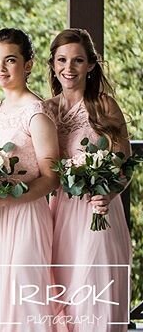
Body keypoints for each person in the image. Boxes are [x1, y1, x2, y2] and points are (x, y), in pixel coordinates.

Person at [0, 28, 64, 331]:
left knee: (26, 300)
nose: (0, 68)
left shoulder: (37, 113)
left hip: (25, 217)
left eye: (10, 60)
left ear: (28, 64)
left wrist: (4, 198)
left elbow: (52, 178)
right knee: (0, 301)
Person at [45, 28, 132, 331]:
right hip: (60, 215)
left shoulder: (104, 105)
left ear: (91, 65)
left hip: (100, 212)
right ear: (53, 64)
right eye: (62, 60)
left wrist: (108, 193)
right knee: (63, 294)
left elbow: (124, 164)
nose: (69, 68)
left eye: (78, 60)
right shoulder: (46, 110)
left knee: (97, 295)